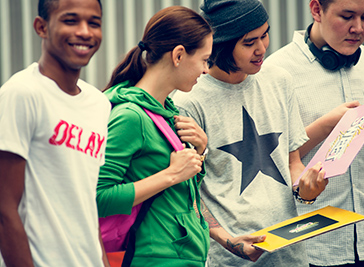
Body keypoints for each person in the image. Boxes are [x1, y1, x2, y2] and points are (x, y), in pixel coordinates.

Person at [172, 0, 328, 266]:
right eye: (249, 42)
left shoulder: (280, 80)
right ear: (220, 44)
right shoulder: (188, 101)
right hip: (229, 257)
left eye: (265, 35)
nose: (261, 48)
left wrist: (307, 189)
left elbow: (291, 162)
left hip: (289, 253)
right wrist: (227, 241)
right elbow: (188, 193)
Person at [265, 0, 364, 266]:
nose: (358, 28)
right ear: (316, 10)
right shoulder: (276, 71)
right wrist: (328, 125)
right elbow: (271, 161)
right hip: (314, 250)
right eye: (347, 16)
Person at [96, 6, 213, 267]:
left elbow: (181, 193)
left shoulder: (169, 114)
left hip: (181, 256)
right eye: (204, 60)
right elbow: (97, 197)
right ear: (179, 55)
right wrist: (171, 174)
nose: (206, 70)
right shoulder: (130, 117)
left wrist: (199, 153)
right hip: (153, 258)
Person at [0, 0, 111, 266]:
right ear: (42, 27)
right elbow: (4, 210)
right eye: (70, 20)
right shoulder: (22, 93)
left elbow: (85, 202)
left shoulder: (99, 104)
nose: (85, 32)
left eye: (93, 23)